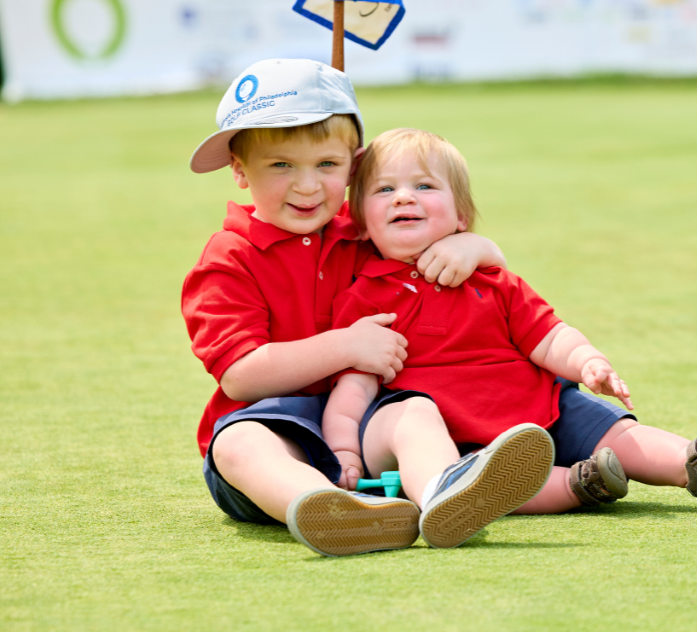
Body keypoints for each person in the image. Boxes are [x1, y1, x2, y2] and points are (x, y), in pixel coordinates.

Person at [306, 128, 697, 554]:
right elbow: (355, 385)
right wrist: (343, 451)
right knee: (483, 464)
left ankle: (692, 463)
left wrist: (586, 361)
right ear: (361, 224)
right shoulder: (365, 297)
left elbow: (548, 336)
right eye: (384, 190)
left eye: (424, 186)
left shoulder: (492, 282)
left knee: (607, 425)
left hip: (533, 406)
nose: (404, 197)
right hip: (454, 436)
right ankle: (561, 487)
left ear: (461, 216)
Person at [182, 60, 510, 556]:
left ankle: (445, 495)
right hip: (273, 424)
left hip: (364, 421)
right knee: (238, 445)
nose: (308, 185)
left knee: (416, 410)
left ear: (354, 166)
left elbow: (458, 260)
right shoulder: (230, 257)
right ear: (239, 170)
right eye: (281, 165)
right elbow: (240, 376)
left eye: (327, 165)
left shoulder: (365, 230)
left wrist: (478, 249)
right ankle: (326, 505)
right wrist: (346, 345)